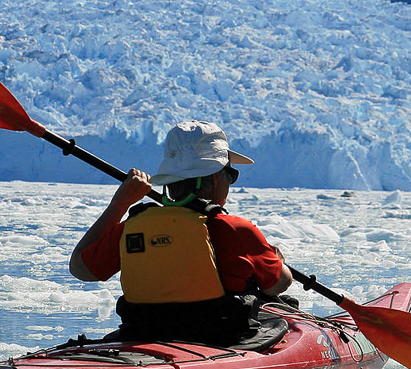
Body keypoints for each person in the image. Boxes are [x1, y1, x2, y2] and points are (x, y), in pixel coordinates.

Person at [70, 120, 293, 345]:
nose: (230, 182)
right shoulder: (236, 228)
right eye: (230, 175)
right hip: (219, 337)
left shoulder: (131, 227)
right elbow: (278, 284)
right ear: (216, 176)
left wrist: (119, 204)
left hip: (142, 334)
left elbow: (80, 268)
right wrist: (276, 261)